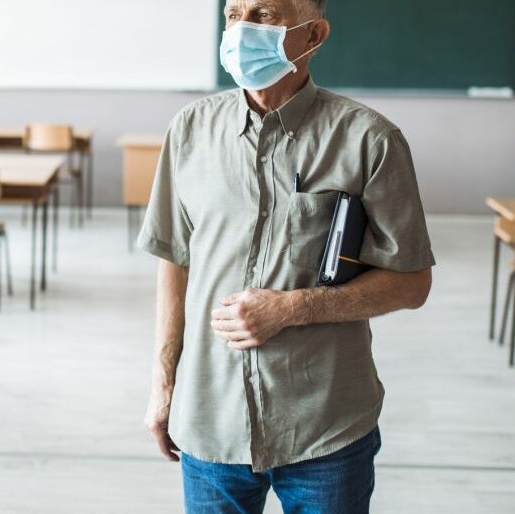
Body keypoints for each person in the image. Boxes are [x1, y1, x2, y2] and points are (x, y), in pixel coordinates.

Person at [138, 0, 435, 512]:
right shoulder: (189, 130)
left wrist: (293, 308)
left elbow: (412, 283)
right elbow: (175, 258)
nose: (242, 28)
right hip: (211, 417)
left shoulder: (369, 140)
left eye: (265, 14)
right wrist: (164, 383)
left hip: (325, 424)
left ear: (313, 33)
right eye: (233, 14)